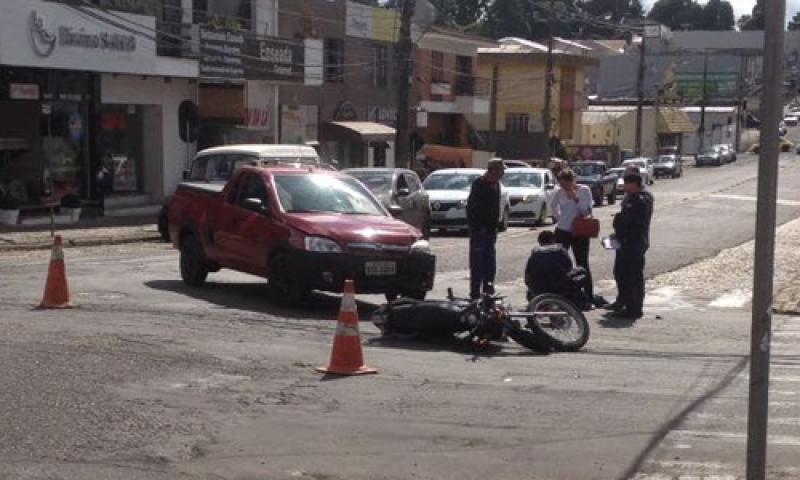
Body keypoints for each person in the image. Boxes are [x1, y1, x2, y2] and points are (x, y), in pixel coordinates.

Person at [608, 173, 654, 320]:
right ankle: (624, 302)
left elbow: (630, 222)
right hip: (626, 242)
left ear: (634, 184)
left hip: (633, 243)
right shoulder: (634, 198)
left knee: (632, 276)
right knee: (621, 273)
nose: (624, 187)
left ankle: (633, 308)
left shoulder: (641, 199)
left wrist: (619, 222)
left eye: (627, 184)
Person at [551, 168, 595, 301]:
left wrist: (575, 197)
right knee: (559, 262)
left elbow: (586, 211)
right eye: (562, 184)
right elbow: (553, 207)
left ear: (572, 181)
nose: (564, 187)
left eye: (566, 184)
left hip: (579, 231)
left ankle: (588, 295)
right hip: (563, 230)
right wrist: (560, 219)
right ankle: (561, 293)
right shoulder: (559, 192)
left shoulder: (584, 190)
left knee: (582, 262)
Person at [525, 231, 593, 310]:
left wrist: (533, 288)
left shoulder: (535, 253)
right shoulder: (561, 250)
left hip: (539, 289)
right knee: (581, 270)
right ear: (553, 240)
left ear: (539, 242)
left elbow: (527, 278)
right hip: (559, 286)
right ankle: (583, 299)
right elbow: (568, 268)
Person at [467, 158, 504, 299]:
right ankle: (475, 292)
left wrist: (496, 225)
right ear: (493, 170)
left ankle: (488, 288)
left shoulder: (497, 184)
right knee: (477, 262)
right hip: (479, 231)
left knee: (490, 260)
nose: (502, 174)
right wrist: (478, 226)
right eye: (501, 171)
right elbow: (471, 209)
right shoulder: (479, 184)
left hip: (491, 230)